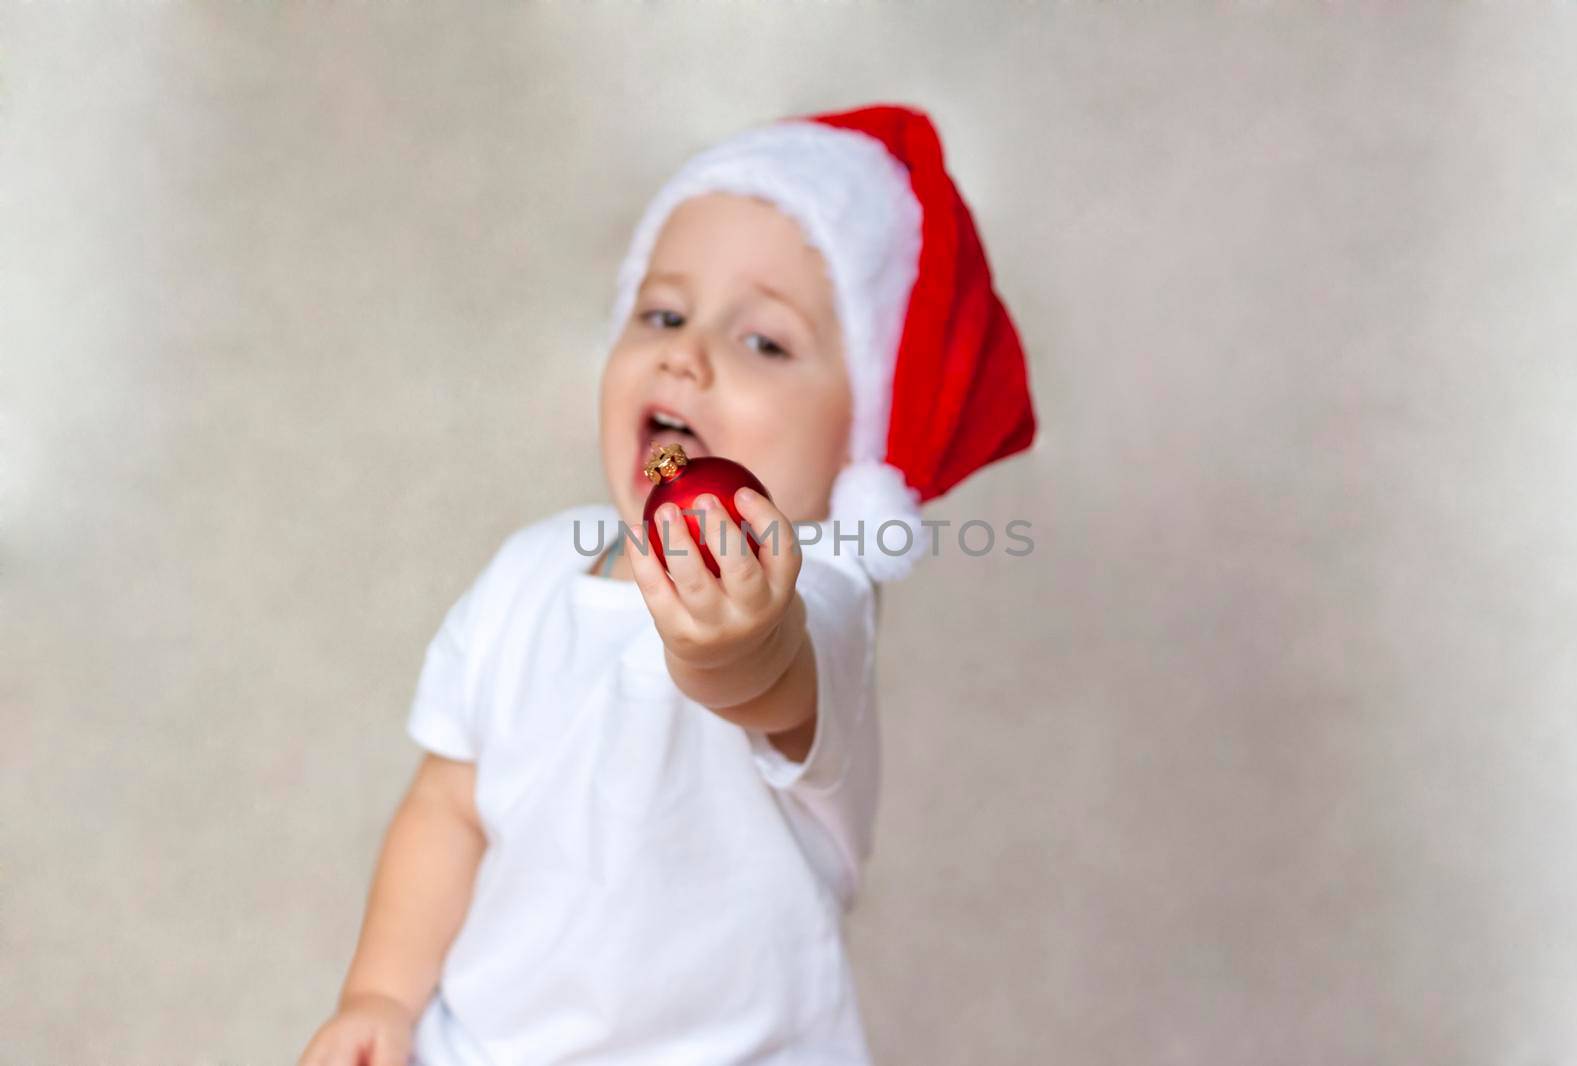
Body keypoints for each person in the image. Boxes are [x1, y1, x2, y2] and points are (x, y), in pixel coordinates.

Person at [297, 101, 1037, 1066]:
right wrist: (383, 996)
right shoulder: (529, 572)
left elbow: (774, 674)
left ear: (859, 438)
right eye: (663, 313)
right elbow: (448, 805)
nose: (686, 353)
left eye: (764, 341)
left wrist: (737, 642)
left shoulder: (822, 594)